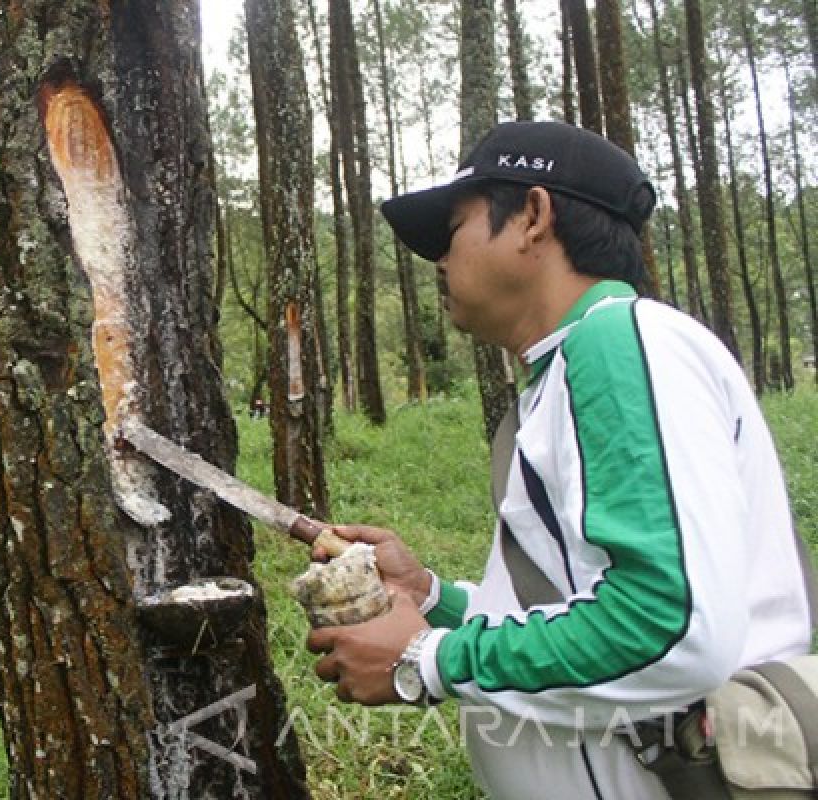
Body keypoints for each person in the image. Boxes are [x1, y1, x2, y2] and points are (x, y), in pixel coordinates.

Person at [305, 121, 813, 800]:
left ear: (534, 218)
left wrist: (427, 660)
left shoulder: (620, 342)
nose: (439, 262)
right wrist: (432, 596)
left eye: (453, 229)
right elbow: (576, 600)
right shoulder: (572, 371)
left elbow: (673, 624)